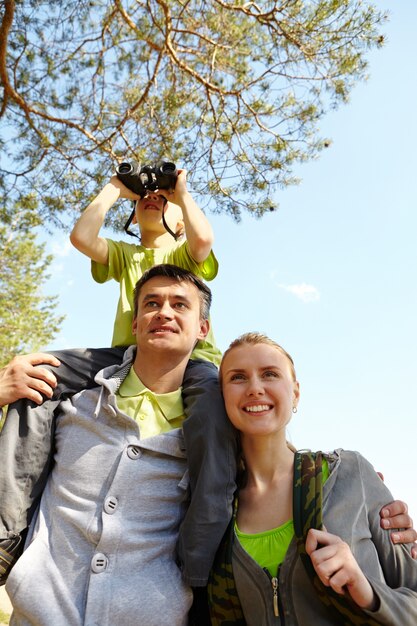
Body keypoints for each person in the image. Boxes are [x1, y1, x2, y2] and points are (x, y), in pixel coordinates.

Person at [0, 169, 235, 588]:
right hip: (124, 356)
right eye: (144, 199)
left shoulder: (183, 254)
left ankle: (202, 571)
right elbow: (82, 238)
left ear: (178, 218)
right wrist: (115, 188)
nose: (152, 200)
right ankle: (5, 537)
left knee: (214, 419)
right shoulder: (125, 255)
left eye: (161, 201)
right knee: (41, 373)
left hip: (193, 360)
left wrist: (180, 193)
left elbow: (202, 241)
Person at [4, 265, 229, 625]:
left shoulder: (213, 432)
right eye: (151, 303)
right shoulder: (69, 402)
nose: (164, 312)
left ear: (203, 330)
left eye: (180, 305)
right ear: (136, 324)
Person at [208, 332, 417, 625]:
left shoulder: (350, 473)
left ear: (295, 393)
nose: (255, 388)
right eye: (238, 378)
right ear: (222, 396)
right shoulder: (216, 511)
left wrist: (368, 592)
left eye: (270, 374)